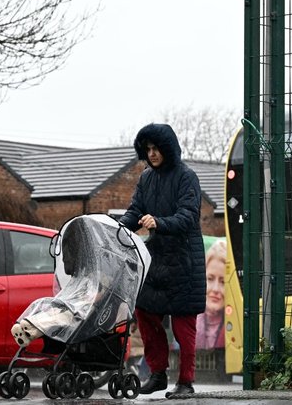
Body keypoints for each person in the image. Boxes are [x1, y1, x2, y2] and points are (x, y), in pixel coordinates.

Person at [119, 123, 206, 398]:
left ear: (167, 149)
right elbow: (135, 211)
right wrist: (118, 229)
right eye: (148, 149)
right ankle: (157, 374)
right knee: (145, 312)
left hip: (184, 262)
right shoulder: (146, 178)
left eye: (156, 149)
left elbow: (189, 216)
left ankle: (186, 382)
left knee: (183, 326)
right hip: (155, 261)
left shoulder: (186, 177)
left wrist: (159, 222)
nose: (152, 154)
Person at [196, 240, 227, 350]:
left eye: (223, 282)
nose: (215, 289)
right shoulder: (188, 322)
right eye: (210, 279)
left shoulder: (237, 327)